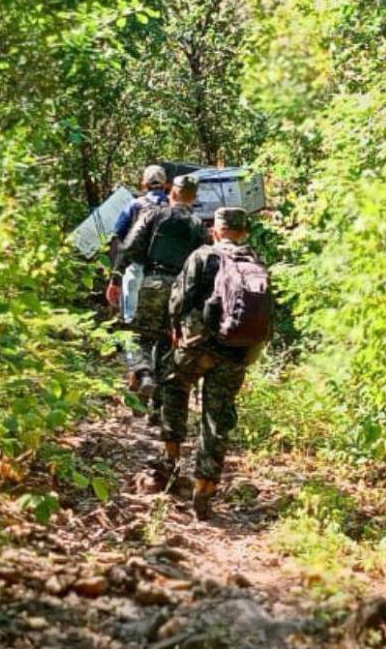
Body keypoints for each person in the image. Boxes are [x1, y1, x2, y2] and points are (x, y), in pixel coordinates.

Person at [158, 206, 272, 521]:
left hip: (198, 347)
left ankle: (170, 461)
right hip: (235, 351)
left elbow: (178, 300)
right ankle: (204, 488)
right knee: (217, 416)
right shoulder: (256, 262)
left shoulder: (203, 256)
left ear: (216, 230)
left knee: (173, 383)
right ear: (244, 232)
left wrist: (176, 332)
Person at [107, 174, 208, 408]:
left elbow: (130, 246)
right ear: (194, 197)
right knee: (166, 341)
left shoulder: (154, 214)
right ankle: (157, 406)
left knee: (138, 335)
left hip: (153, 282)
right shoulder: (198, 226)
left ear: (172, 191)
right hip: (181, 289)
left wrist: (116, 277)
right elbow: (205, 262)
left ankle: (144, 375)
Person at [107, 165, 170, 325]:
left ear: (144, 184)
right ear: (165, 184)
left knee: (130, 316)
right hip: (167, 272)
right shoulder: (174, 208)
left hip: (136, 267)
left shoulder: (134, 205)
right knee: (162, 319)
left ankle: (131, 349)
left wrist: (115, 275)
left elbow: (117, 237)